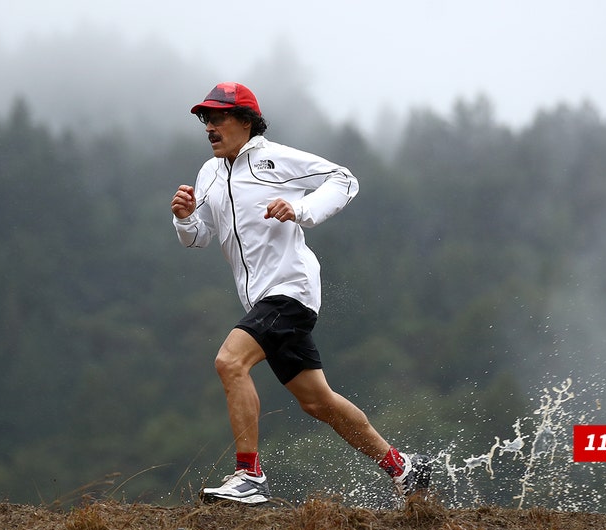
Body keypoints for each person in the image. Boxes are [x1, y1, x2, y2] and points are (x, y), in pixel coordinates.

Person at [171, 82, 431, 505]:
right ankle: (403, 467)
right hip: (262, 303)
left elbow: (345, 179)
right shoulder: (209, 174)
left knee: (229, 362)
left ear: (246, 121)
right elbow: (198, 238)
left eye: (218, 117)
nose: (209, 126)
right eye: (205, 118)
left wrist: (301, 210)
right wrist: (184, 219)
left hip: (290, 292)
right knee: (318, 402)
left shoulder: (276, 159)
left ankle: (249, 476)